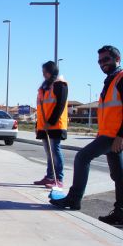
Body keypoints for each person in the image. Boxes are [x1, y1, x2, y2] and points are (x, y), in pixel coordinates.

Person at [50, 45, 123, 226]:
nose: (102, 64)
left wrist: (120, 136)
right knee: (119, 175)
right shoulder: (110, 81)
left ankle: (74, 199)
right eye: (99, 61)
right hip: (107, 135)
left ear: (117, 59)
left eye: (106, 59)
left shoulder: (121, 78)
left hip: (115, 136)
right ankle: (121, 212)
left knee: (82, 157)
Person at [33, 61, 69, 188]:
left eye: (45, 71)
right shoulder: (44, 87)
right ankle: (49, 177)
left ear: (51, 71)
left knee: (55, 151)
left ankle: (58, 179)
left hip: (55, 125)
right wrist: (38, 125)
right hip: (44, 125)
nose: (43, 74)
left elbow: (60, 105)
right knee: (49, 153)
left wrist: (51, 122)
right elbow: (41, 108)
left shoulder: (60, 85)